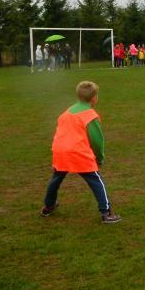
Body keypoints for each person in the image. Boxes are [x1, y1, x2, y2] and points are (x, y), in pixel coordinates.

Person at [40, 81, 121, 223]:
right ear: (94, 98)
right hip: (78, 153)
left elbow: (60, 132)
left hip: (60, 150)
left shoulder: (66, 112)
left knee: (56, 178)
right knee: (95, 180)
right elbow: (97, 141)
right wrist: (99, 158)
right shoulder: (90, 115)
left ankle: (48, 206)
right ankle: (106, 212)